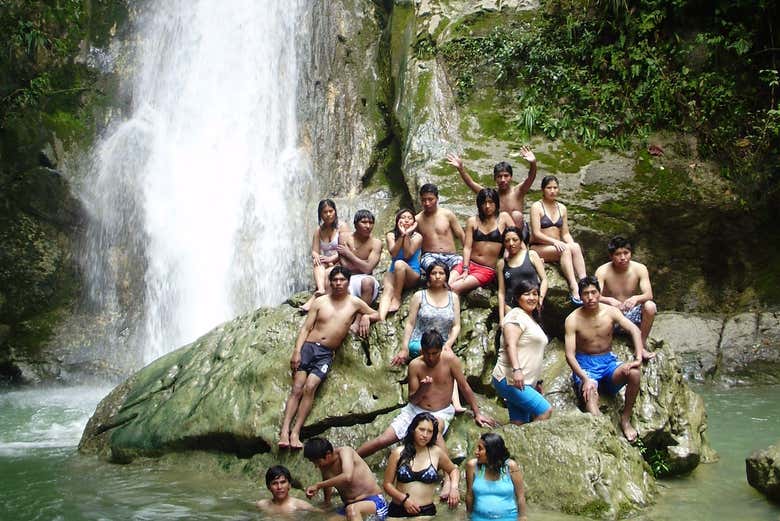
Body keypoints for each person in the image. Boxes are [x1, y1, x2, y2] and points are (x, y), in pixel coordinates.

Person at [279, 266, 380, 449]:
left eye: (342, 280)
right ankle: (284, 432)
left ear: (348, 282)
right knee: (297, 388)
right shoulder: (320, 302)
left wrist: (366, 318)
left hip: (325, 354)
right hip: (308, 348)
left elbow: (376, 314)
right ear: (330, 282)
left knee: (310, 387)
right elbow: (306, 328)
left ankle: (296, 433)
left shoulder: (355, 303)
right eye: (335, 280)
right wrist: (297, 351)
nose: (338, 283)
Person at [358, 330, 496, 461]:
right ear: (421, 350)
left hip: (440, 412)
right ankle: (352, 457)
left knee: (435, 434)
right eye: (427, 353)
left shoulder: (450, 360)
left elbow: (464, 387)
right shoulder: (415, 365)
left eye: (435, 353)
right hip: (415, 410)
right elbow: (413, 399)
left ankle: (450, 474)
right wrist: (423, 389)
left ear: (441, 350)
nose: (430, 357)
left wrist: (477, 413)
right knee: (383, 440)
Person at [564, 276, 645, 442]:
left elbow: (634, 330)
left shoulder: (610, 312)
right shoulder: (572, 319)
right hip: (586, 365)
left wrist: (638, 358)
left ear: (599, 293)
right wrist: (585, 379)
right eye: (586, 293)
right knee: (590, 397)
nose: (590, 297)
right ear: (580, 296)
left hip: (608, 362)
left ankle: (625, 418)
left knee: (635, 373)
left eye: (594, 292)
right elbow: (569, 355)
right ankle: (607, 436)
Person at [492, 279, 553, 425]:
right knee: (545, 410)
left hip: (523, 381)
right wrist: (517, 370)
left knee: (519, 424)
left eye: (535, 294)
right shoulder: (515, 316)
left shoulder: (530, 318)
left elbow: (531, 352)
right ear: (517, 297)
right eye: (527, 294)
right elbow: (510, 344)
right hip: (510, 378)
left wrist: (536, 381)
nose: (532, 298)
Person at [382, 412, 460, 517]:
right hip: (398, 509)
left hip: (425, 512)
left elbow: (453, 470)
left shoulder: (436, 452)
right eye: (421, 429)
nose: (425, 435)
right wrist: (404, 500)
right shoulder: (398, 453)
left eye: (430, 431)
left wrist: (454, 488)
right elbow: (387, 484)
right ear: (413, 429)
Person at [595, 236, 657, 361]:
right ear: (611, 256)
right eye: (618, 254)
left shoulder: (640, 268)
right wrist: (609, 300)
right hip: (612, 316)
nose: (623, 257)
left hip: (632, 313)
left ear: (631, 253)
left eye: (626, 253)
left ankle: (641, 344)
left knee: (650, 306)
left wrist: (636, 298)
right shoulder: (602, 271)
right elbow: (594, 296)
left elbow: (649, 294)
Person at [530, 175, 587, 305]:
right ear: (543, 190)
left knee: (575, 247)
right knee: (565, 249)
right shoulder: (537, 206)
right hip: (539, 247)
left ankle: (585, 283)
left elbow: (565, 233)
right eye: (549, 188)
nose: (552, 191)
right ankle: (574, 286)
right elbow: (536, 233)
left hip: (555, 247)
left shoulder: (562, 208)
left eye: (555, 188)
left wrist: (572, 246)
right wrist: (555, 242)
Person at [447, 147, 538, 229]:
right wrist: (461, 169)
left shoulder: (518, 191)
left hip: (517, 234)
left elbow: (531, 177)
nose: (503, 180)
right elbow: (471, 183)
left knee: (516, 215)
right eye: (499, 176)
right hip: (499, 232)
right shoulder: (491, 195)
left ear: (511, 177)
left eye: (506, 176)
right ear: (495, 178)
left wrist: (533, 163)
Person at [304, 437, 389, 521]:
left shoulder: (345, 452)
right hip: (348, 506)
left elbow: (347, 476)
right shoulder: (324, 466)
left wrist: (318, 485)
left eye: (317, 462)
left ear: (328, 454)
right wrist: (327, 503)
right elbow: (327, 483)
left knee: (352, 510)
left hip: (373, 500)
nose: (316, 466)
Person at [391, 261, 460, 365]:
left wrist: (448, 344)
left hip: (442, 345)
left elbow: (456, 326)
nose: (437, 276)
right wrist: (404, 348)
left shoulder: (453, 297)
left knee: (444, 357)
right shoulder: (419, 296)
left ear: (446, 276)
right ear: (428, 276)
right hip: (419, 343)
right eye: (434, 273)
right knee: (433, 354)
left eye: (441, 273)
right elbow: (410, 323)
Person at [450, 188, 514, 295]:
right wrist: (465, 269)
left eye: (491, 202)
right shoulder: (472, 221)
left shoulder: (504, 218)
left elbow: (516, 237)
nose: (487, 206)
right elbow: (467, 247)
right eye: (484, 203)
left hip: (486, 269)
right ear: (479, 205)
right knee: (444, 284)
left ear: (496, 203)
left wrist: (524, 256)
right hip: (468, 264)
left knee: (453, 288)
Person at [301, 199, 350, 312]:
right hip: (327, 263)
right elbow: (315, 250)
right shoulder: (318, 231)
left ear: (335, 211)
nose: (328, 214)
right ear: (320, 214)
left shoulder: (342, 227)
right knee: (317, 263)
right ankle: (321, 289)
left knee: (327, 272)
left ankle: (313, 300)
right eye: (325, 212)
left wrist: (330, 258)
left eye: (330, 211)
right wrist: (316, 256)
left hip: (341, 261)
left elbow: (346, 249)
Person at [465, 433, 527, 521]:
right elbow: (469, 496)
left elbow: (520, 496)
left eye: (480, 449)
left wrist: (522, 517)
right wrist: (468, 517)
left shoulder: (511, 466)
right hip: (479, 518)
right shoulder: (472, 466)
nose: (476, 452)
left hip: (509, 518)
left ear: (491, 451)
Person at [414, 183, 465, 285]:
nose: (427, 203)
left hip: (451, 256)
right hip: (430, 256)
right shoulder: (417, 219)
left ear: (437, 198)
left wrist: (469, 255)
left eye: (430, 199)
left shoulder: (447, 214)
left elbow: (461, 235)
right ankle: (444, 283)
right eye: (424, 200)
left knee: (463, 263)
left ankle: (447, 283)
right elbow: (413, 243)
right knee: (433, 267)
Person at [378, 209, 423, 321]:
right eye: (403, 217)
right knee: (387, 287)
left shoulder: (417, 237)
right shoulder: (391, 235)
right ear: (397, 220)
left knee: (399, 264)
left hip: (411, 274)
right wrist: (402, 235)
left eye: (410, 218)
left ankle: (397, 298)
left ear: (414, 222)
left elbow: (407, 255)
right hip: (394, 273)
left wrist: (406, 234)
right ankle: (381, 318)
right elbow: (394, 253)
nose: (406, 220)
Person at [497, 226, 547, 324]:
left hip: (532, 302)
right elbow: (501, 292)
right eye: (507, 241)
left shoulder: (531, 255)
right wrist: (501, 318)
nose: (511, 243)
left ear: (521, 241)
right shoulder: (501, 264)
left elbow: (544, 279)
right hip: (511, 306)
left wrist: (540, 299)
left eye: (515, 240)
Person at [338, 209, 382, 306]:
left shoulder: (376, 243)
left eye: (371, 223)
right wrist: (364, 263)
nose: (368, 226)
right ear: (355, 224)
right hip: (347, 278)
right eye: (364, 222)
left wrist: (349, 254)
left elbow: (368, 269)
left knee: (367, 282)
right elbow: (345, 266)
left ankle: (361, 314)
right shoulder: (343, 237)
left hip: (366, 280)